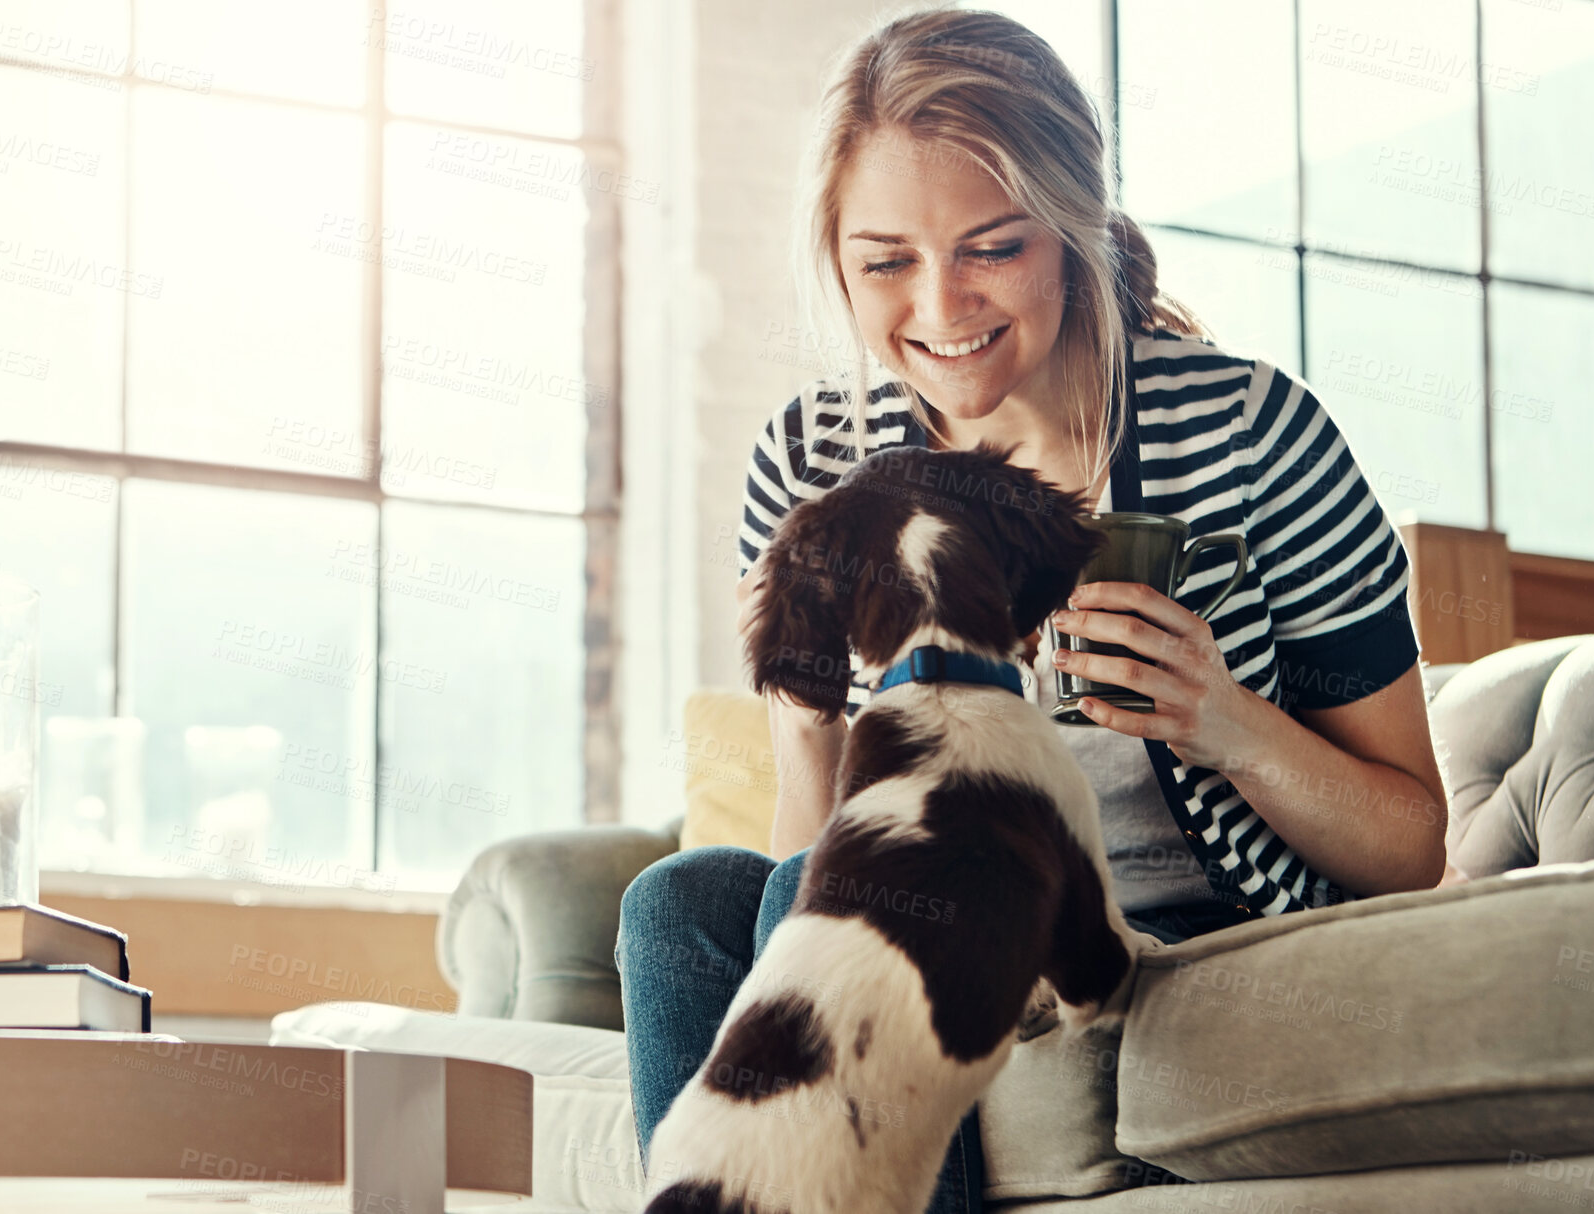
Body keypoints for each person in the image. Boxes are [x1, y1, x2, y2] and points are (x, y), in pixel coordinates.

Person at [615, 9, 1449, 1212]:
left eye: (991, 247)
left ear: (1072, 231)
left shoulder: (1252, 435)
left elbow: (1412, 847)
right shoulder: (815, 462)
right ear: (836, 260)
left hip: (1181, 937)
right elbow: (812, 862)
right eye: (886, 260)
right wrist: (802, 719)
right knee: (677, 905)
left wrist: (1222, 719)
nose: (941, 306)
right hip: (934, 921)